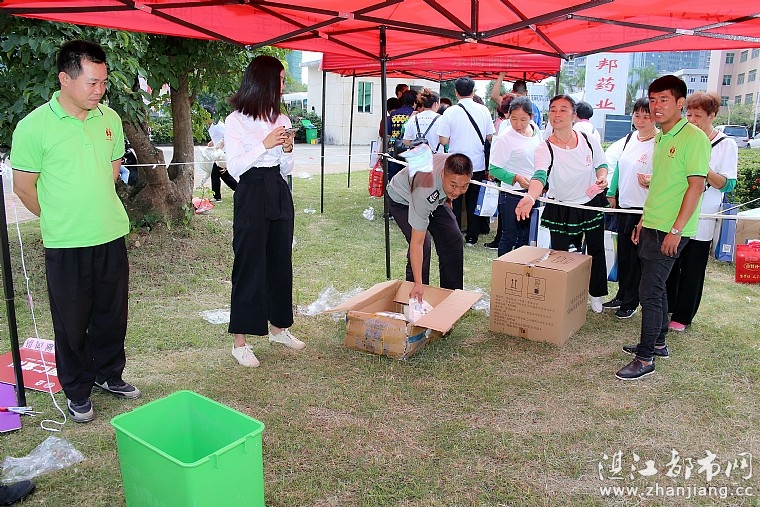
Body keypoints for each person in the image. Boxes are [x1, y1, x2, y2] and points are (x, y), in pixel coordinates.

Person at [11, 40, 140, 424]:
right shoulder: (33, 126)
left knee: (112, 314)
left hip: (110, 233)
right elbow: (23, 188)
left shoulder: (110, 119)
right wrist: (59, 217)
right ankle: (78, 390)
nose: (100, 90)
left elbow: (112, 171)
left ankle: (109, 374)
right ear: (65, 79)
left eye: (103, 82)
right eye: (92, 82)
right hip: (66, 242)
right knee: (71, 321)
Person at [616, 75, 710, 380]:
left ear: (680, 103)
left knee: (649, 291)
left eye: (664, 100)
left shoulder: (694, 137)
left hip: (671, 229)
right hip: (653, 223)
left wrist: (677, 230)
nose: (656, 106)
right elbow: (660, 185)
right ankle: (658, 342)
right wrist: (644, 220)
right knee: (656, 287)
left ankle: (645, 359)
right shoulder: (661, 137)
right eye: (653, 100)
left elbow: (696, 186)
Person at [224, 55, 305, 368]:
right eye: (281, 80)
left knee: (280, 261)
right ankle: (240, 342)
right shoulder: (236, 120)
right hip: (252, 191)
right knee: (249, 264)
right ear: (265, 81)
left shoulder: (280, 116)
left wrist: (286, 149)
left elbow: (285, 168)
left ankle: (279, 329)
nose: (283, 85)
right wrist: (265, 143)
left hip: (277, 188)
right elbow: (235, 167)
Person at [515, 94, 609, 313]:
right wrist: (530, 197)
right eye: (553, 110)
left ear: (574, 115)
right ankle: (562, 295)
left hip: (589, 202)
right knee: (560, 254)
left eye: (563, 110)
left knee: (596, 249)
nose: (557, 114)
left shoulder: (588, 139)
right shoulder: (544, 148)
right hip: (561, 205)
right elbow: (540, 175)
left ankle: (596, 293)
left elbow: (601, 164)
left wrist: (602, 177)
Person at [666, 92, 738, 332]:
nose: (692, 120)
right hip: (676, 211)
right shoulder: (682, 137)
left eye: (698, 115)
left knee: (693, 267)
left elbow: (728, 184)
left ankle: (683, 315)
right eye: (689, 114)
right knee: (671, 262)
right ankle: (668, 306)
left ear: (712, 116)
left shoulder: (725, 144)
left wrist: (703, 169)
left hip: (703, 215)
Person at [386, 153, 473, 300]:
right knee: (424, 244)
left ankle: (451, 295)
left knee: (453, 237)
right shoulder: (424, 191)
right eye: (453, 185)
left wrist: (449, 198)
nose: (458, 192)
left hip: (436, 198)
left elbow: (453, 186)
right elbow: (417, 243)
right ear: (443, 174)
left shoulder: (455, 164)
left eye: (464, 186)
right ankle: (416, 293)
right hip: (402, 198)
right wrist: (418, 283)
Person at [602, 98, 657, 319]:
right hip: (624, 205)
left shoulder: (660, 143)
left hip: (642, 208)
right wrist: (611, 193)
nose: (640, 121)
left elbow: (663, 178)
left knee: (636, 259)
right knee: (623, 255)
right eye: (637, 115)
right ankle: (622, 294)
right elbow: (619, 167)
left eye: (646, 116)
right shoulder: (629, 138)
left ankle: (631, 301)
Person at [438, 76, 495, 245]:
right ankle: (472, 236)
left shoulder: (450, 112)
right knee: (473, 200)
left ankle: (453, 232)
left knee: (453, 197)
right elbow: (490, 136)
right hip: (476, 163)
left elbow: (443, 140)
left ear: (456, 92)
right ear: (473, 91)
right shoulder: (483, 110)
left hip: (455, 163)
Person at [488, 96, 542, 256]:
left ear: (531, 117)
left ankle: (520, 267)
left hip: (533, 193)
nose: (518, 124)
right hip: (512, 195)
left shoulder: (535, 130)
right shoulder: (505, 138)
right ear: (508, 116)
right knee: (509, 237)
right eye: (514, 119)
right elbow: (494, 169)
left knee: (527, 237)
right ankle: (503, 268)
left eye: (523, 119)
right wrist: (516, 178)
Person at [205, 106, 237, 203]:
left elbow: (228, 136)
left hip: (224, 153)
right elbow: (218, 137)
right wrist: (212, 142)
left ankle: (218, 196)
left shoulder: (218, 125)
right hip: (219, 153)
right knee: (222, 175)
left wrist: (222, 144)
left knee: (218, 174)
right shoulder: (211, 126)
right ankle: (239, 191)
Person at [387, 90, 417, 181]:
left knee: (393, 180)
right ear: (415, 101)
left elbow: (388, 135)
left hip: (394, 151)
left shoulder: (393, 114)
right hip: (410, 152)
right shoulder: (415, 115)